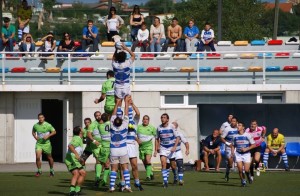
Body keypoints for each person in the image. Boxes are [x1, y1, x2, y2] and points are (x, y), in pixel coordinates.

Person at [109, 96, 132, 192]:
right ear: (121, 121)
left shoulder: (112, 126)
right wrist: (126, 102)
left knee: (114, 169)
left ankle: (111, 186)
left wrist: (117, 103)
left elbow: (113, 115)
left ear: (113, 122)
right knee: (125, 168)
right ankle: (128, 185)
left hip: (113, 150)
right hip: (122, 150)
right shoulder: (124, 125)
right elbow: (126, 113)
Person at [154, 113, 180, 188]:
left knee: (173, 165)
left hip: (171, 148)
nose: (163, 119)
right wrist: (156, 150)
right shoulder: (159, 128)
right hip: (163, 148)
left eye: (164, 117)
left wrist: (175, 147)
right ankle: (165, 181)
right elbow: (156, 139)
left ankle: (175, 177)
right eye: (162, 117)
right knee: (163, 163)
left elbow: (177, 137)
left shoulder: (171, 126)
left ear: (167, 119)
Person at [125, 100, 144, 190]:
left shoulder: (134, 121)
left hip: (131, 145)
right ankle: (123, 183)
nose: (130, 112)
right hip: (124, 145)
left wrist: (132, 104)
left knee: (134, 165)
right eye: (128, 111)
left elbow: (138, 113)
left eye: (131, 111)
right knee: (123, 166)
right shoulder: (123, 121)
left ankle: (137, 182)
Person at [231, 122, 256, 187]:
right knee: (240, 169)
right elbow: (233, 145)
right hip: (238, 154)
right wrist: (232, 152)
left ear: (243, 127)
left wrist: (246, 149)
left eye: (239, 125)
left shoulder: (247, 135)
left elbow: (254, 145)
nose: (238, 127)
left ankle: (248, 176)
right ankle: (243, 181)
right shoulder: (234, 136)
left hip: (246, 154)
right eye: (237, 125)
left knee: (246, 170)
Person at [64, 126, 86, 196]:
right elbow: (70, 145)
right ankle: (74, 191)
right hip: (71, 159)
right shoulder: (77, 138)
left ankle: (74, 191)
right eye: (81, 128)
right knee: (79, 173)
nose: (83, 129)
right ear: (80, 132)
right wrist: (76, 155)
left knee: (80, 173)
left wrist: (80, 158)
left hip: (73, 159)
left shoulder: (79, 138)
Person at [137, 115, 156, 181]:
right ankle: (151, 173)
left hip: (149, 147)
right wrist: (137, 140)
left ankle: (148, 176)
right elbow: (133, 135)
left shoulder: (152, 128)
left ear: (148, 121)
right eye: (144, 119)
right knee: (144, 162)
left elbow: (157, 137)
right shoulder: (138, 127)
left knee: (148, 160)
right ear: (142, 120)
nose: (145, 120)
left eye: (147, 119)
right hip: (141, 147)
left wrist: (157, 149)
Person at [87, 111, 103, 186]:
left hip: (105, 144)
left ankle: (103, 178)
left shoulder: (105, 123)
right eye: (96, 115)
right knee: (98, 160)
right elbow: (89, 134)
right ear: (94, 116)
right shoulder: (92, 124)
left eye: (99, 115)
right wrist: (94, 141)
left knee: (106, 162)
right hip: (96, 145)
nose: (98, 116)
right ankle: (97, 178)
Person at [221, 116, 238, 182]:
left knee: (240, 162)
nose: (233, 122)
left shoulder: (239, 128)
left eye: (234, 121)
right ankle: (227, 173)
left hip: (237, 147)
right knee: (230, 164)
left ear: (236, 122)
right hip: (229, 147)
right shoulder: (227, 129)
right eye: (232, 121)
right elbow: (222, 138)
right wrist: (228, 144)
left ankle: (243, 179)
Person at [98, 113, 111, 187]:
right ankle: (120, 180)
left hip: (104, 147)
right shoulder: (111, 124)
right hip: (112, 146)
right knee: (116, 164)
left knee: (106, 164)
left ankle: (104, 179)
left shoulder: (100, 126)